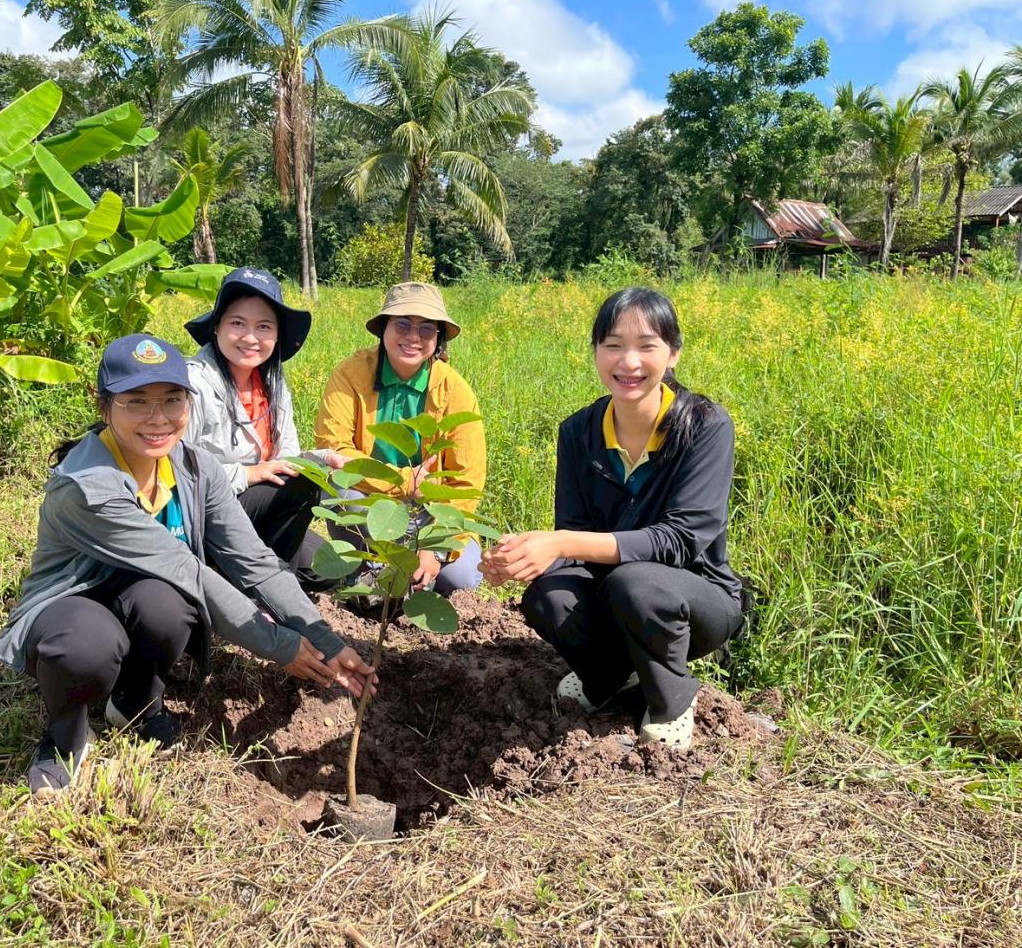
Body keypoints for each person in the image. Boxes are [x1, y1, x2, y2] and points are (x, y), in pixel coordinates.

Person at [0, 333, 374, 797]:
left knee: (170, 607)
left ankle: (134, 701)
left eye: (172, 399)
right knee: (85, 646)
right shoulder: (88, 487)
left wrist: (324, 639)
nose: (158, 418)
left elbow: (254, 561)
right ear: (104, 406)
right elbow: (188, 570)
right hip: (75, 599)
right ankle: (65, 737)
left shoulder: (196, 467)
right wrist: (280, 646)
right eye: (136, 401)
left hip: (142, 591)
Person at [480, 287, 743, 753]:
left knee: (636, 583)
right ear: (596, 351)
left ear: (673, 354)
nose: (629, 362)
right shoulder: (578, 432)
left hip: (695, 599)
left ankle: (671, 701)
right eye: (614, 345)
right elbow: (576, 534)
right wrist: (518, 560)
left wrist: (560, 543)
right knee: (546, 595)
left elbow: (681, 540)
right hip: (615, 592)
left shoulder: (705, 426)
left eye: (646, 346)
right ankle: (612, 678)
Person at [314, 282, 486, 596]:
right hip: (369, 505)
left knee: (460, 579)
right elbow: (334, 449)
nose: (413, 337)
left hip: (430, 514)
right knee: (337, 484)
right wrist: (405, 481)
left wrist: (435, 549)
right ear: (384, 327)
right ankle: (368, 570)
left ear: (438, 338)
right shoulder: (351, 375)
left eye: (426, 328)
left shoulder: (455, 392)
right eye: (402, 324)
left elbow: (465, 483)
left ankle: (403, 572)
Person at [183, 267, 346, 591]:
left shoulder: (272, 382)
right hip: (208, 513)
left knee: (331, 569)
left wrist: (324, 457)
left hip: (256, 511)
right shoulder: (193, 383)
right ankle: (267, 592)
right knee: (300, 485)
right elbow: (176, 472)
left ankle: (241, 573)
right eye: (237, 323)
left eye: (263, 327)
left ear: (276, 335)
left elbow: (286, 459)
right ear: (217, 326)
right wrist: (248, 474)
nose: (250, 338)